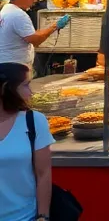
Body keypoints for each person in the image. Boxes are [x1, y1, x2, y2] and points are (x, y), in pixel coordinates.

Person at [0, 62, 52, 221]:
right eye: (26, 85)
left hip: (24, 216)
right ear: (6, 89)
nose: (31, 92)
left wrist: (43, 216)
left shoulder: (34, 121)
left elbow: (44, 174)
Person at [0, 0, 68, 66]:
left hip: (6, 62)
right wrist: (55, 26)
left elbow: (30, 34)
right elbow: (36, 40)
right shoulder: (18, 14)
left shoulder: (6, 10)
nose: (35, 0)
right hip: (14, 66)